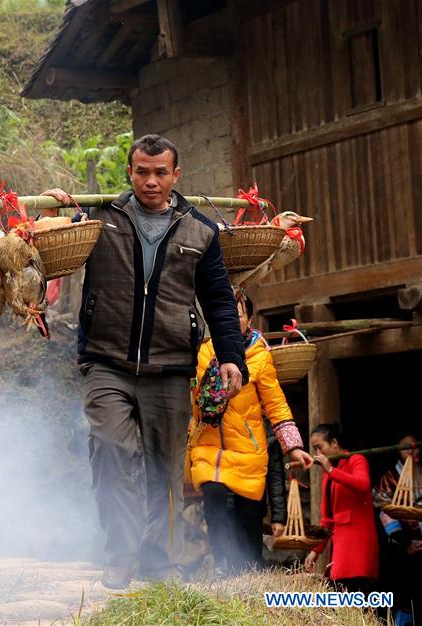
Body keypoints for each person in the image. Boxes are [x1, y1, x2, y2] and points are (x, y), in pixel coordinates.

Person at [43, 134, 248, 589]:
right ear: (130, 173)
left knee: (166, 470)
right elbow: (52, 254)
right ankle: (119, 553)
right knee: (112, 450)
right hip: (106, 363)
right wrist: (52, 215)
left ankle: (158, 561)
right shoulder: (99, 220)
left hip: (171, 368)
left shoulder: (201, 231)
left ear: (176, 176)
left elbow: (218, 300)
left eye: (160, 172)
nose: (150, 181)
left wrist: (232, 355)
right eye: (142, 171)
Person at [186, 296, 313, 574]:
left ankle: (249, 573)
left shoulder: (259, 356)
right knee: (214, 497)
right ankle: (221, 565)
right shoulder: (203, 352)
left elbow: (276, 404)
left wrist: (293, 447)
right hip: (208, 445)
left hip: (248, 450)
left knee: (248, 522)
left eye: (239, 313)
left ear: (250, 319)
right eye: (225, 313)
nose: (232, 319)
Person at [305, 423, 379, 595]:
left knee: (359, 595)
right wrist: (315, 551)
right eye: (315, 449)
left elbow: (363, 484)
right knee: (339, 594)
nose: (318, 454)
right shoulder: (329, 472)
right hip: (340, 546)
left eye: (320, 447)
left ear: (335, 443)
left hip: (358, 545)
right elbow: (327, 518)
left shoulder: (356, 460)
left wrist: (330, 470)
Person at [373, 434, 421, 626]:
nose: (409, 450)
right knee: (403, 593)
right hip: (401, 546)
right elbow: (385, 512)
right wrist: (406, 543)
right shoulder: (390, 478)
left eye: (414, 446)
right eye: (404, 447)